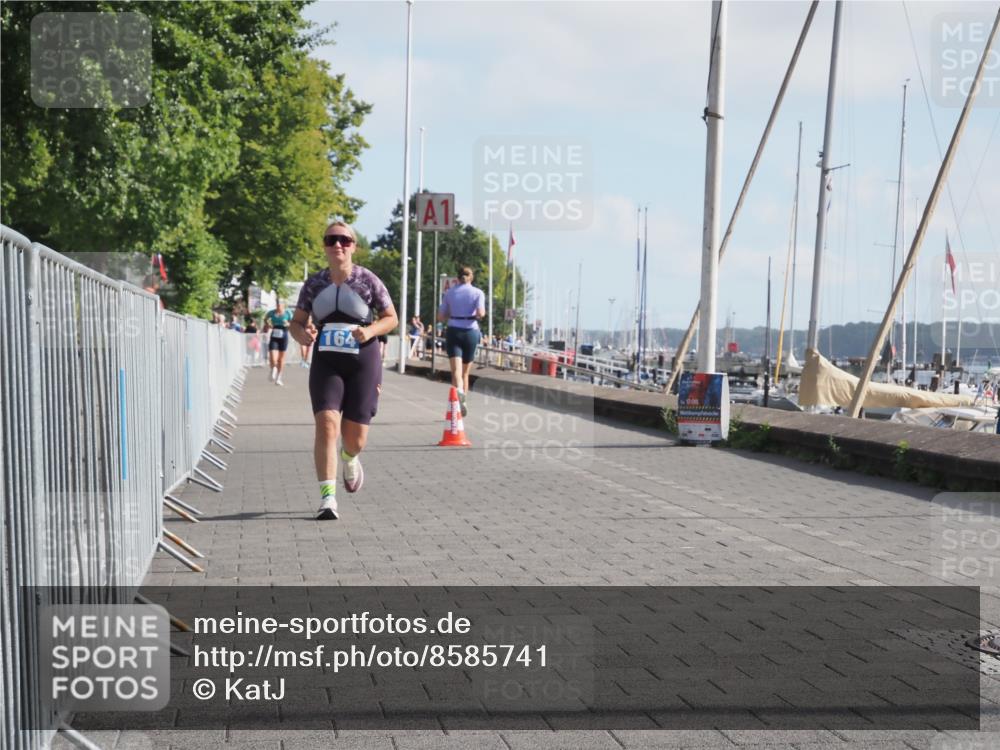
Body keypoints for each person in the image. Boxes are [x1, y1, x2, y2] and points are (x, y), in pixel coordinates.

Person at [290, 221, 398, 521]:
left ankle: (350, 458)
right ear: (324, 246)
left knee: (355, 439)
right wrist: (302, 335)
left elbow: (392, 318)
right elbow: (296, 322)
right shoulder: (314, 284)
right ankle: (328, 499)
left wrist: (371, 330)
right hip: (327, 360)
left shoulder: (368, 280)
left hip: (363, 360)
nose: (338, 245)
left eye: (344, 240)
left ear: (354, 246)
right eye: (331, 240)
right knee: (326, 424)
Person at [438, 266, 486, 417]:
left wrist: (452, 313)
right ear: (471, 278)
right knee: (466, 372)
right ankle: (463, 399)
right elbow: (481, 313)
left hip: (454, 330)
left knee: (456, 372)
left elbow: (440, 316)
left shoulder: (449, 293)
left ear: (457, 278)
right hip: (471, 331)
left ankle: (458, 394)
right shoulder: (478, 293)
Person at [264, 300, 293, 385]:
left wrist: (288, 324)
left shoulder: (288, 313)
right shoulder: (272, 313)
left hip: (284, 334)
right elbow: (266, 319)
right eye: (277, 306)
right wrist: (269, 324)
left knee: (281, 359)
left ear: (283, 306)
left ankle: (279, 377)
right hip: (274, 335)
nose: (278, 307)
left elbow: (293, 323)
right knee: (273, 357)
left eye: (280, 306)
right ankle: (273, 369)